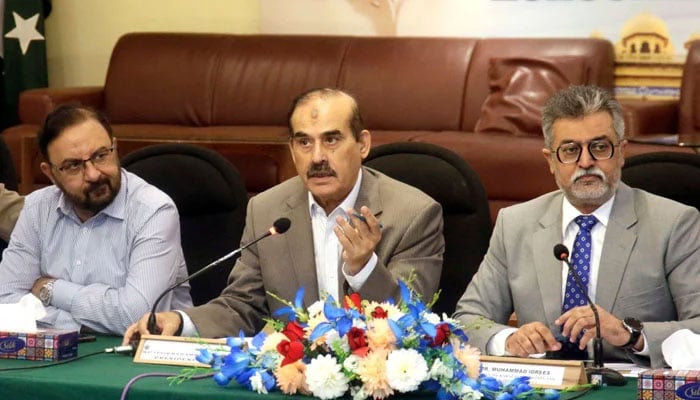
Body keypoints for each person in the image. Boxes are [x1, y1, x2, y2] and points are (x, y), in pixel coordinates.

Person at [123, 88, 445, 342]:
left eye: (331, 139)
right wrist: (181, 322)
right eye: (304, 142)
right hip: (289, 379)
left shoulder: (413, 213)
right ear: (291, 150)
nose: (317, 157)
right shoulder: (266, 209)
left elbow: (413, 319)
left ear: (362, 144)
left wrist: (364, 269)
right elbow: (241, 305)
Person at [454, 85, 700, 368]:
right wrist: (508, 340)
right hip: (542, 384)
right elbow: (467, 319)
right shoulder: (516, 223)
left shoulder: (674, 223)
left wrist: (630, 334)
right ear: (550, 161)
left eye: (599, 147)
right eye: (570, 150)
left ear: (621, 152)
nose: (585, 162)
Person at [0, 104, 192, 334]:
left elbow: (137, 315)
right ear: (50, 173)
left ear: (115, 147)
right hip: (58, 356)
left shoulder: (153, 210)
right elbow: (6, 301)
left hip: (143, 357)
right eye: (73, 165)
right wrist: (82, 324)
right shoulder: (37, 208)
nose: (93, 174)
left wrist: (50, 289)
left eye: (101, 156)